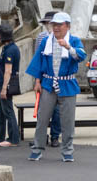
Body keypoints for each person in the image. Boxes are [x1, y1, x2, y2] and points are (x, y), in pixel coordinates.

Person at [26, 11, 87, 162]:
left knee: (67, 120)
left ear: (67, 26)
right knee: (42, 117)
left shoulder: (73, 40)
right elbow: (38, 62)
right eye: (54, 24)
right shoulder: (46, 41)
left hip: (67, 83)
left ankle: (67, 150)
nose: (56, 28)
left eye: (59, 25)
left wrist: (68, 47)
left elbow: (81, 55)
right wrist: (37, 81)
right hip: (48, 83)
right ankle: (37, 148)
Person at [35, 11, 62, 147]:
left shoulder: (64, 38)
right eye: (46, 23)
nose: (48, 26)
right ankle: (41, 136)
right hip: (45, 77)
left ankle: (55, 136)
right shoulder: (41, 37)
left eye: (50, 23)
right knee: (42, 109)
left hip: (59, 77)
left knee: (57, 109)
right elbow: (37, 59)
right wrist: (37, 80)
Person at [0, 23, 21, 146]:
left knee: (8, 111)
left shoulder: (10, 50)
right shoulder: (7, 48)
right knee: (0, 111)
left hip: (7, 85)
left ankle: (13, 138)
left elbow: (8, 71)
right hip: (1, 83)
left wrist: (4, 88)